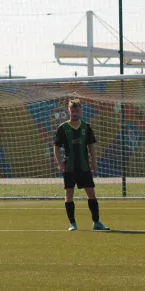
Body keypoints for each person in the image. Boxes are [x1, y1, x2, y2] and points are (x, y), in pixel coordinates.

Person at [53, 99, 110, 231]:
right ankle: (72, 224)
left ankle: (97, 223)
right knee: (69, 195)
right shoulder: (63, 128)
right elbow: (56, 146)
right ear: (69, 111)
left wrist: (94, 162)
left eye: (77, 111)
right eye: (72, 111)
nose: (75, 113)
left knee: (91, 194)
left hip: (84, 167)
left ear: (81, 111)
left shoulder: (86, 127)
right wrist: (60, 163)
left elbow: (91, 146)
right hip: (70, 167)